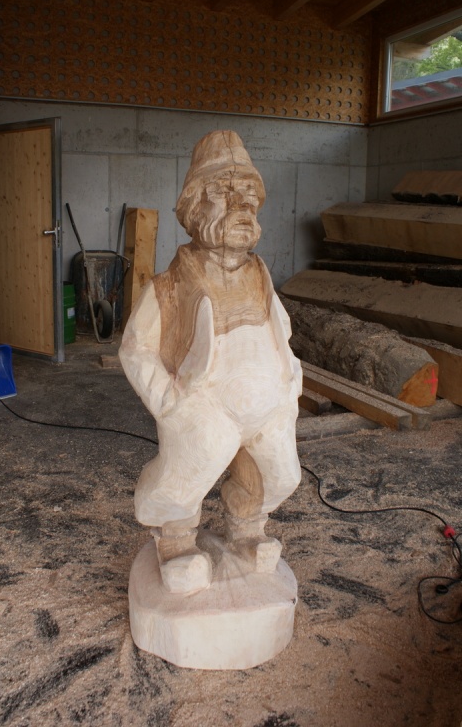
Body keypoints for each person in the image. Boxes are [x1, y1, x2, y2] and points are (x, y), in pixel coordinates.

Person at [119, 130, 302, 594]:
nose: (241, 205)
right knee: (191, 467)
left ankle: (247, 531)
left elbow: (281, 333)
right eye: (224, 192)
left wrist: (291, 384)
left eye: (249, 196)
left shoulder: (262, 277)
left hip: (268, 406)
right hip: (204, 406)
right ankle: (176, 540)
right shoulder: (169, 287)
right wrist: (169, 401)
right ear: (194, 207)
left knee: (281, 473)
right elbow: (135, 349)